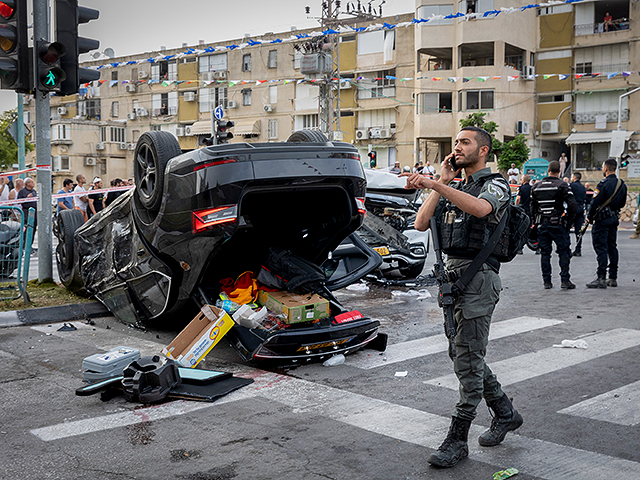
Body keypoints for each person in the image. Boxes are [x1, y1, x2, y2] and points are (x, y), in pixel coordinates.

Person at [403, 126, 523, 468]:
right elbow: (422, 222)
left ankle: (458, 440)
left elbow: (482, 210)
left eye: (464, 143)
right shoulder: (454, 185)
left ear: (482, 151)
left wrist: (436, 184)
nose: (457, 147)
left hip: (479, 278)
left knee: (467, 359)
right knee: (462, 354)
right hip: (452, 281)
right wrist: (441, 180)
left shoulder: (495, 184)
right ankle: (505, 411)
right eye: (456, 142)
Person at [530, 160, 577, 289]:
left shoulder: (536, 186)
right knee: (563, 252)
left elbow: (532, 206)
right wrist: (569, 220)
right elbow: (573, 204)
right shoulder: (562, 185)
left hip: (542, 224)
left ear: (548, 170)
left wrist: (535, 221)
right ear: (559, 172)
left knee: (545, 253)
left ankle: (547, 281)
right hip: (558, 224)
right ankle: (565, 280)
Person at [586, 158, 627, 288]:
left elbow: (594, 203)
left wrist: (589, 217)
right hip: (614, 218)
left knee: (601, 248)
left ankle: (601, 278)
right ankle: (613, 277)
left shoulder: (602, 184)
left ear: (605, 169)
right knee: (612, 247)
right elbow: (622, 203)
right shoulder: (622, 184)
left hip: (602, 220)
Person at [569, 172, 587, 256]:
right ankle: (578, 249)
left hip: (573, 208)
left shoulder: (571, 186)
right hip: (580, 208)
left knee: (566, 228)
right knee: (578, 230)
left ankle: (567, 248)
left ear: (574, 177)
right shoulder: (583, 187)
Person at [17, 178, 37, 246]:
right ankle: (24, 244)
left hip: (35, 212)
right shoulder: (22, 191)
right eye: (32, 182)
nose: (33, 183)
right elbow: (19, 201)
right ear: (27, 183)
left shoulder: (34, 191)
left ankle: (30, 245)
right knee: (27, 227)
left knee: (33, 228)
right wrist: (26, 198)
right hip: (26, 212)